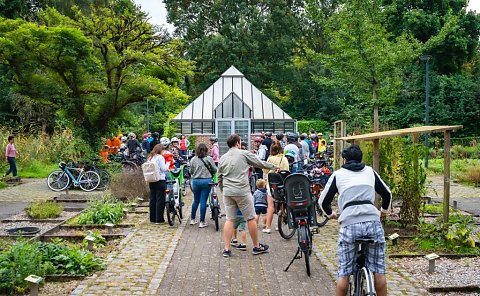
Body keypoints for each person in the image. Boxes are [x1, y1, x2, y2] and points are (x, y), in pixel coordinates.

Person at [319, 144, 392, 296]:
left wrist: (330, 214)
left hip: (349, 224)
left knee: (344, 272)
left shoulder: (337, 175)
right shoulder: (370, 172)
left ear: (344, 160)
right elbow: (387, 194)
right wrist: (383, 212)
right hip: (373, 222)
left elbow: (322, 202)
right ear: (361, 158)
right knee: (379, 270)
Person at [218, 134, 277, 257]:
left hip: (228, 192)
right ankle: (256, 246)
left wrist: (224, 190)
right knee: (250, 218)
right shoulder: (244, 153)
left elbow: (219, 177)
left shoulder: (223, 158)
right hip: (242, 191)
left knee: (230, 219)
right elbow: (259, 163)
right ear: (237, 143)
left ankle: (227, 249)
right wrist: (273, 167)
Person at [262, 142, 289, 232]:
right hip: (283, 185)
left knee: (270, 206)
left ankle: (268, 227)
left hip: (272, 185)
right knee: (282, 204)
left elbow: (265, 170)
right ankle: (280, 225)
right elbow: (287, 171)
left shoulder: (270, 158)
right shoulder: (284, 159)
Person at [189, 143, 217, 228]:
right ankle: (202, 221)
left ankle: (192, 219)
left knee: (196, 200)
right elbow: (215, 169)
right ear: (206, 150)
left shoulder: (193, 159)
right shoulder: (209, 159)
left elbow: (190, 171)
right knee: (203, 201)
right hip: (206, 181)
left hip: (196, 181)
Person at [146, 144, 169, 224]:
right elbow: (164, 168)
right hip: (160, 180)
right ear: (160, 150)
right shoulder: (160, 157)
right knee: (160, 199)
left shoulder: (150, 157)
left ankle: (152, 219)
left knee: (153, 199)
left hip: (151, 180)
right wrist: (168, 164)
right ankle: (159, 219)